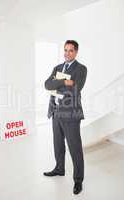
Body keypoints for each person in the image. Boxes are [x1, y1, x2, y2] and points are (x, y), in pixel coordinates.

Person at [43, 40, 87, 195]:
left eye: (70, 50)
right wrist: (64, 81)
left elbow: (76, 89)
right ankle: (59, 168)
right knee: (58, 145)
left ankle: (78, 180)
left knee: (75, 148)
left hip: (71, 114)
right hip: (56, 112)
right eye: (65, 50)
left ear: (76, 52)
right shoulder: (57, 68)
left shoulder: (81, 69)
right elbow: (47, 85)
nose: (67, 53)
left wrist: (58, 85)